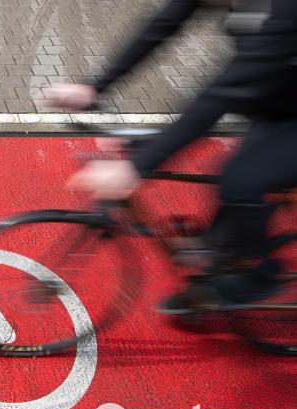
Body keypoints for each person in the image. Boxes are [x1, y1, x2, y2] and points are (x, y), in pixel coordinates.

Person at [42, 0, 297, 313]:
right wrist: (94, 88)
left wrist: (137, 167)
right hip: (277, 107)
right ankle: (210, 284)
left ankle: (263, 274)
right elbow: (161, 27)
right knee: (225, 196)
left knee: (240, 180)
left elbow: (226, 91)